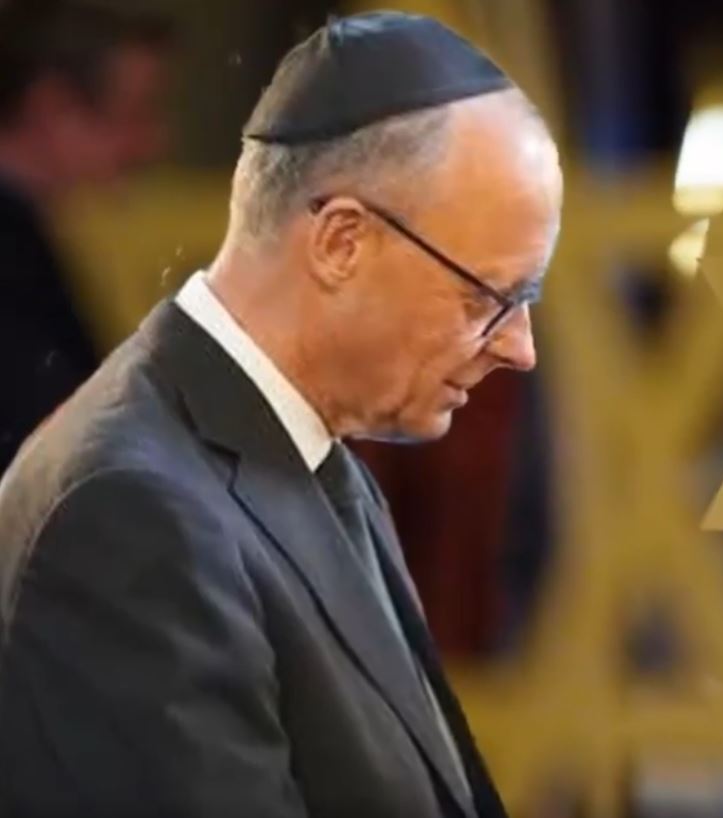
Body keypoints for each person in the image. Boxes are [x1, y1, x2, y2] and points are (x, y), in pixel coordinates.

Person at [0, 11, 561, 818]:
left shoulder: (294, 450)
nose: (519, 348)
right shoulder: (134, 513)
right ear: (341, 243)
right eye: (486, 298)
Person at [0, 0, 171, 471]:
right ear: (51, 107)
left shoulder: (26, 237)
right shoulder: (12, 258)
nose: (152, 143)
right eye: (133, 114)